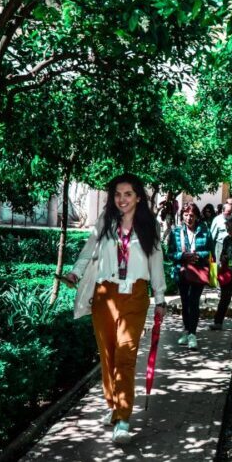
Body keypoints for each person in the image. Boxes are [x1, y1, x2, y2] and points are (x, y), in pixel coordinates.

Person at [65, 173, 167, 445]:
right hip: (105, 295)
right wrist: (75, 273)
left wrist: (160, 298)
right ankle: (113, 403)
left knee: (126, 355)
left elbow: (156, 261)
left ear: (138, 197)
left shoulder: (150, 226)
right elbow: (88, 250)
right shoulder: (105, 222)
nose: (122, 199)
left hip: (135, 296)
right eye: (118, 194)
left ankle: (122, 418)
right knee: (107, 353)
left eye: (128, 194)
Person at [166, 203, 213, 350]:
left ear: (197, 216)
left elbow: (210, 251)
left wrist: (198, 256)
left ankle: (193, 333)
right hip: (182, 271)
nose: (189, 218)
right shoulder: (176, 232)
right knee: (185, 302)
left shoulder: (205, 231)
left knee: (194, 302)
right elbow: (170, 253)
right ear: (182, 216)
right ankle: (186, 330)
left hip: (198, 272)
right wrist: (182, 256)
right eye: (186, 215)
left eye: (192, 215)